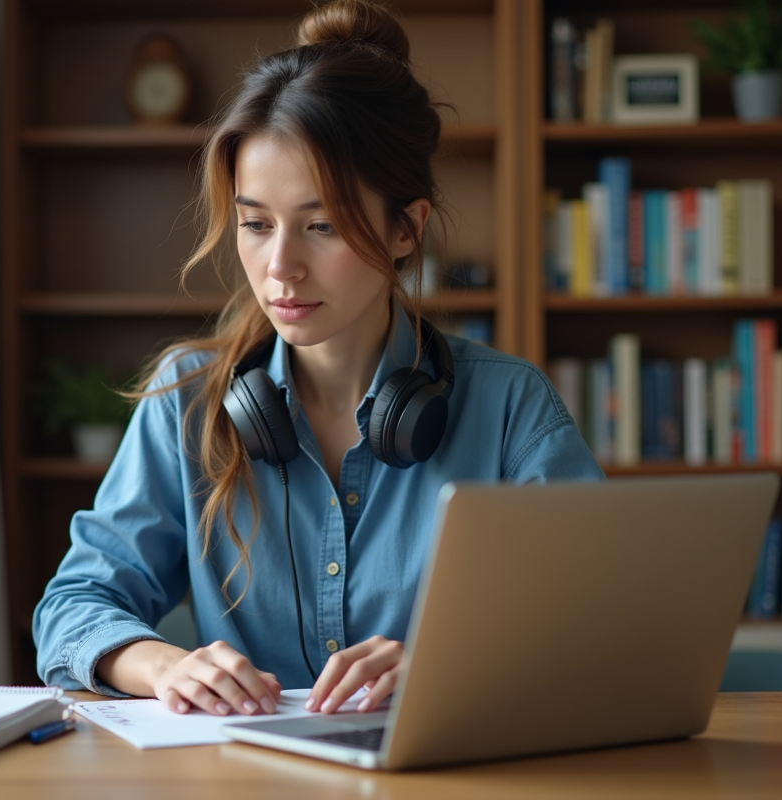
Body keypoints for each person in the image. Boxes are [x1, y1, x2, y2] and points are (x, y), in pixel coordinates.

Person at [33, 0, 602, 721]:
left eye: (322, 225)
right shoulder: (186, 402)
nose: (281, 269)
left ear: (406, 227)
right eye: (256, 224)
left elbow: (601, 622)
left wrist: (447, 663)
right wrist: (168, 667)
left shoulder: (511, 408)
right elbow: (74, 608)